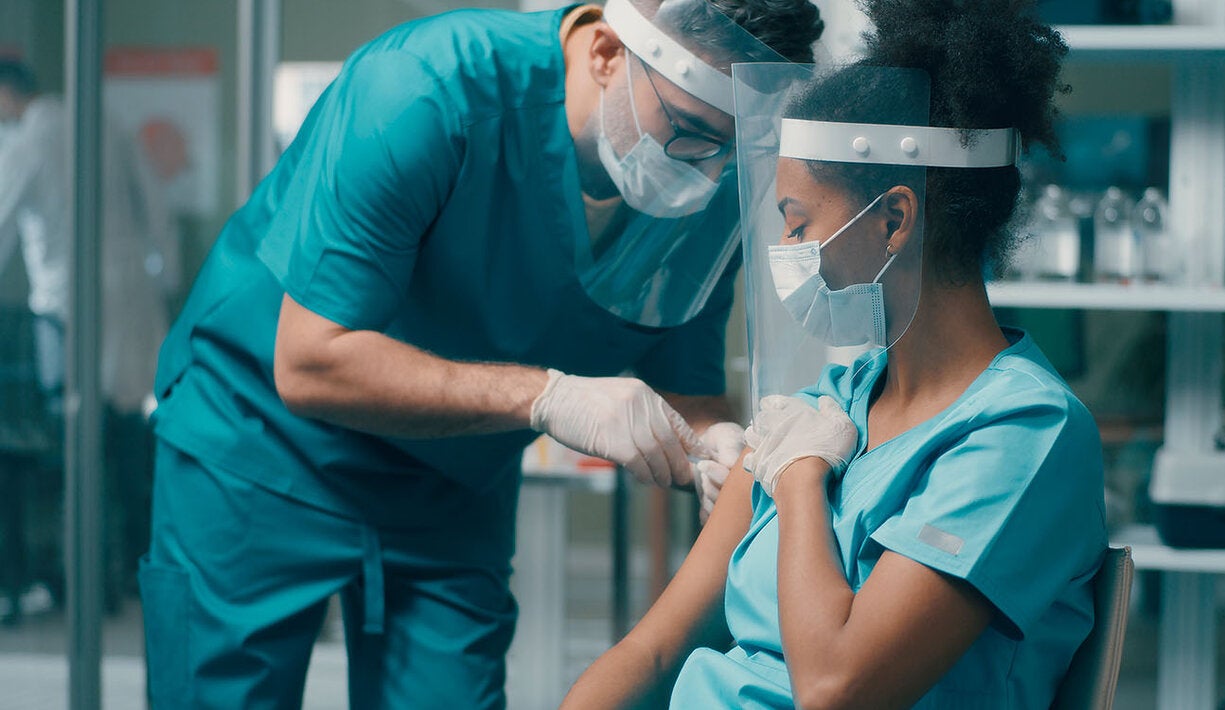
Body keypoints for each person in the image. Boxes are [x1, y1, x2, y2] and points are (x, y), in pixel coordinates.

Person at [139, 1, 822, 707]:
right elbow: (310, 361)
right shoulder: (424, 89)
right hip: (260, 447)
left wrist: (717, 446)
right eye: (686, 131)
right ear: (605, 52)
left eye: (729, 150)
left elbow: (688, 386)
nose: (703, 173)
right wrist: (548, 397)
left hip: (449, 479)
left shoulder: (703, 188)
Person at [561, 1, 1106, 707]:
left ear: (893, 220)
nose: (786, 254)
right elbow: (655, 647)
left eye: (799, 224)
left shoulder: (1025, 435)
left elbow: (834, 687)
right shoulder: (836, 399)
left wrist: (799, 479)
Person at [0, 59, 178, 613]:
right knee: (133, 441)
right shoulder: (102, 121)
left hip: (67, 310)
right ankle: (137, 573)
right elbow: (155, 204)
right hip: (132, 301)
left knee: (77, 446)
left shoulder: (28, 141)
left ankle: (91, 582)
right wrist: (165, 278)